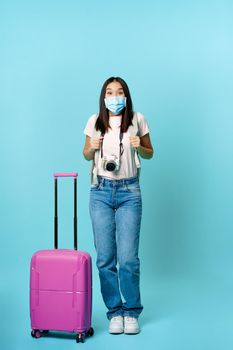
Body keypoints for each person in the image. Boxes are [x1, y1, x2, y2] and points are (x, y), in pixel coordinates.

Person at [83, 77, 153, 335]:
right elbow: (86, 155)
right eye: (110, 92)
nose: (114, 96)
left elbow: (150, 153)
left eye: (119, 92)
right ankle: (114, 312)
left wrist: (139, 145)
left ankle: (131, 311)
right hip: (100, 191)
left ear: (126, 96)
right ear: (103, 97)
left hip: (129, 192)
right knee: (105, 258)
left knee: (128, 259)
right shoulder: (95, 121)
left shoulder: (138, 119)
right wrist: (91, 147)